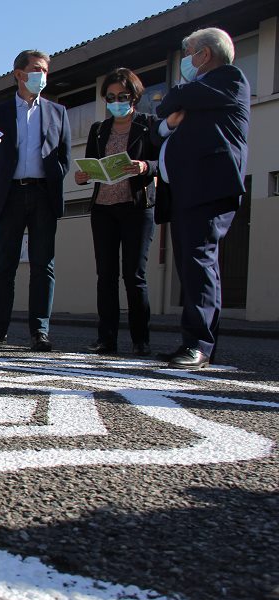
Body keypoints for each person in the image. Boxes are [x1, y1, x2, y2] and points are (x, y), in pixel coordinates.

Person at [153, 28, 250, 370]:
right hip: (186, 190)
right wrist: (169, 119)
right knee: (190, 265)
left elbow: (171, 100)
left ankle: (200, 344)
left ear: (205, 54)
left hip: (209, 187)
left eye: (190, 54)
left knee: (199, 261)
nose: (187, 63)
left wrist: (173, 108)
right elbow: (158, 125)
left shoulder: (229, 79)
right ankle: (195, 342)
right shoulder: (204, 94)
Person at [0, 50, 71, 352]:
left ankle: (39, 332)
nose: (42, 75)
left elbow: (64, 157)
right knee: (4, 266)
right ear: (19, 74)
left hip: (43, 195)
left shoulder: (58, 112)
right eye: (37, 69)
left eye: (45, 71)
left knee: (44, 266)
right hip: (10, 195)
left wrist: (52, 178)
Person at [74, 68, 160, 357]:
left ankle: (140, 339)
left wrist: (145, 166)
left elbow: (164, 160)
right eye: (110, 97)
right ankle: (106, 339)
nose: (116, 102)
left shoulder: (148, 125)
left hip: (136, 208)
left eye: (122, 96)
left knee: (134, 276)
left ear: (134, 97)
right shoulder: (99, 129)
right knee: (106, 276)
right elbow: (90, 164)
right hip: (103, 209)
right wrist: (83, 176)